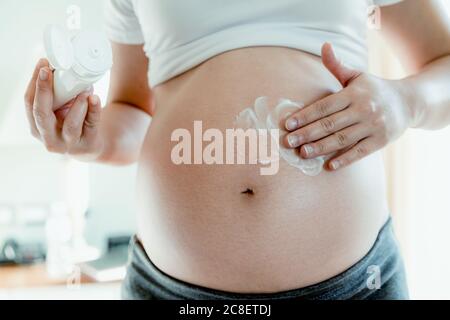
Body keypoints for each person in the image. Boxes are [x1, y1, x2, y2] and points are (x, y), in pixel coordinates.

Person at [23, 0, 450, 300]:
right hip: (170, 290)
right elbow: (133, 110)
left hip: (355, 286)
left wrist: (405, 101)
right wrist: (89, 139)